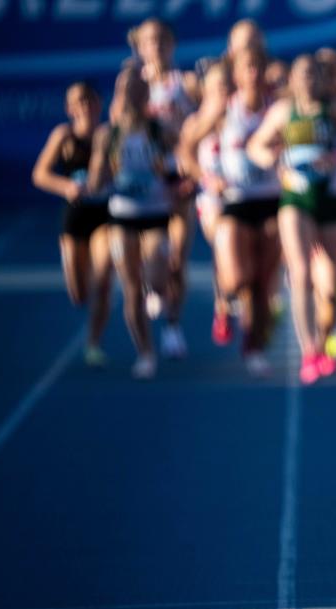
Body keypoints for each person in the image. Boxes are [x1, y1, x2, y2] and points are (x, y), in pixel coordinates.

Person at [247, 54, 336, 384]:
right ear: (293, 80)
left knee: (331, 284)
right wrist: (277, 162)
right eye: (303, 74)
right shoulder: (284, 112)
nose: (309, 80)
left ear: (322, 79)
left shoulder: (335, 109)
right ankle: (308, 350)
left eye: (314, 74)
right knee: (301, 271)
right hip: (296, 199)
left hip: (332, 199)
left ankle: (323, 344)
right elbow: (256, 146)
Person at [186, 47, 282, 376]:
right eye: (247, 68)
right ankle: (224, 302)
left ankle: (253, 347)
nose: (253, 73)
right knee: (236, 278)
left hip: (271, 201)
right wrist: (205, 178)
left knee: (261, 283)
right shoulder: (225, 108)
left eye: (258, 66)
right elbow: (186, 146)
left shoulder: (276, 108)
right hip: (234, 202)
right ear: (237, 75)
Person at [88, 64, 173, 379]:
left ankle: (159, 291)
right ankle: (145, 352)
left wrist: (170, 173)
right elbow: (97, 185)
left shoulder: (159, 130)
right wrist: (102, 162)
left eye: (140, 92)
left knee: (156, 277)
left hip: (155, 214)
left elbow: (176, 168)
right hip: (123, 216)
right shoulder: (107, 134)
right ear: (119, 96)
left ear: (147, 96)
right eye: (128, 92)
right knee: (131, 290)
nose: (134, 98)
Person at [32, 81, 113, 367]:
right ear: (69, 108)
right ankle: (87, 293)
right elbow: (39, 174)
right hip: (75, 216)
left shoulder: (108, 135)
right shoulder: (63, 136)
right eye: (78, 102)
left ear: (99, 104)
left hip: (103, 214)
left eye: (90, 100)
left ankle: (93, 343)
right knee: (79, 294)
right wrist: (66, 186)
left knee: (103, 279)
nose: (85, 107)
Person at [132, 18, 199, 358]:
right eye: (148, 40)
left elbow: (202, 126)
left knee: (178, 258)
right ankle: (151, 286)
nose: (155, 46)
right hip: (147, 181)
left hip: (179, 177)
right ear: (139, 47)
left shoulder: (184, 83)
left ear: (171, 44)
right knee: (152, 252)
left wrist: (191, 164)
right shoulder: (132, 84)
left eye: (161, 39)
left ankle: (173, 325)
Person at [178, 61, 235, 346]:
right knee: (224, 246)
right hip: (212, 200)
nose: (223, 93)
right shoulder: (196, 121)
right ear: (205, 91)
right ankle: (222, 305)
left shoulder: (241, 115)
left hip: (243, 196)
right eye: (216, 88)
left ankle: (237, 300)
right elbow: (185, 155)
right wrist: (205, 178)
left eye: (227, 86)